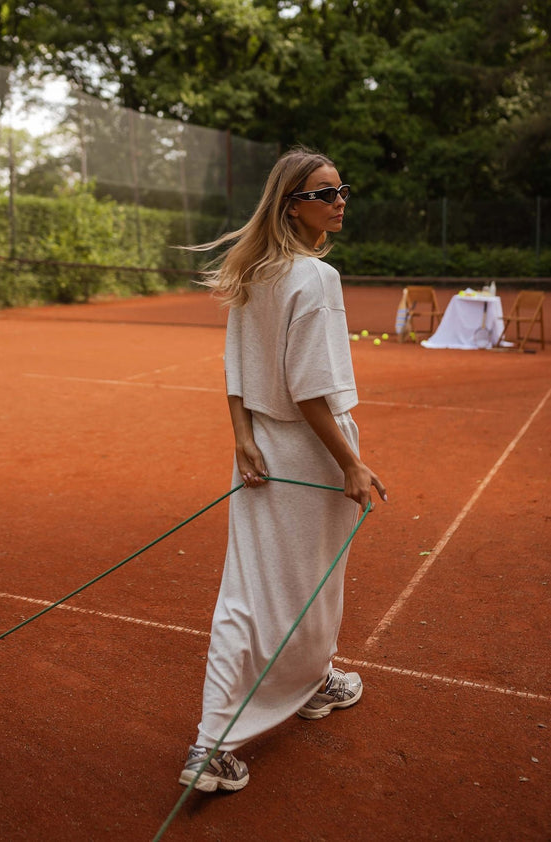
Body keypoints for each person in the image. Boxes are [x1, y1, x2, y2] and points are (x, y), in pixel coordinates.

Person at [179, 147, 387, 793]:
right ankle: (217, 742)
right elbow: (310, 390)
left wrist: (242, 439)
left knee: (251, 590)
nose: (339, 201)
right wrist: (350, 463)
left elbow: (236, 364)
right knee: (307, 584)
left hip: (261, 446)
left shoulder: (257, 270)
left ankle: (300, 688)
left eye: (341, 190)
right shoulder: (315, 278)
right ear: (292, 205)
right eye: (324, 193)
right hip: (308, 450)